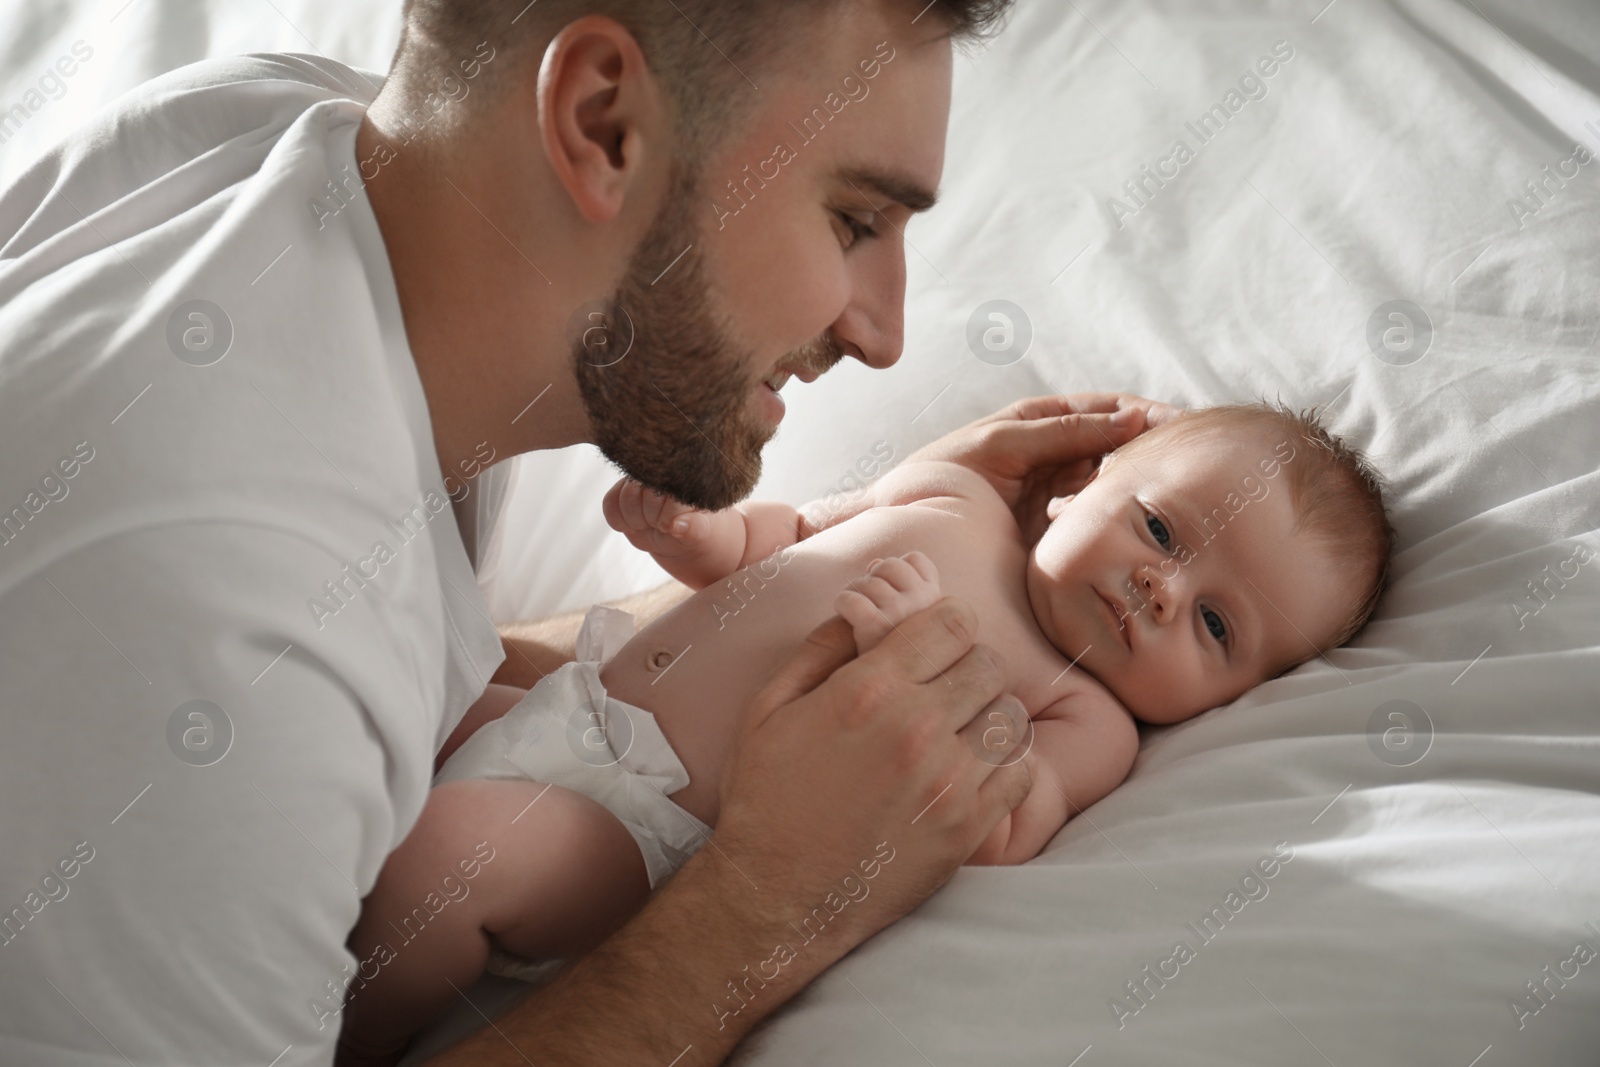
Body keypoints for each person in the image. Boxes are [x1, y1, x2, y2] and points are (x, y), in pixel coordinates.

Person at [0, 1, 1171, 1064]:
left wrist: (871, 553)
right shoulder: (213, 623)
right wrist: (773, 899)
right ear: (603, 122)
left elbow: (386, 643)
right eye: (854, 218)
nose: (884, 334)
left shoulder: (268, 134)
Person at [332, 401, 1394, 1063]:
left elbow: (999, 819)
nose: (1161, 587)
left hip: (636, 825)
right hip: (569, 700)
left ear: (1232, 696)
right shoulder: (953, 495)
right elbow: (786, 537)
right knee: (395, 686)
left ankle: (341, 1038)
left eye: (1215, 623)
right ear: (1080, 484)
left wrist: (913, 665)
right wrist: (698, 533)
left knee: (447, 862)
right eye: (1160, 529)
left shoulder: (1088, 716)